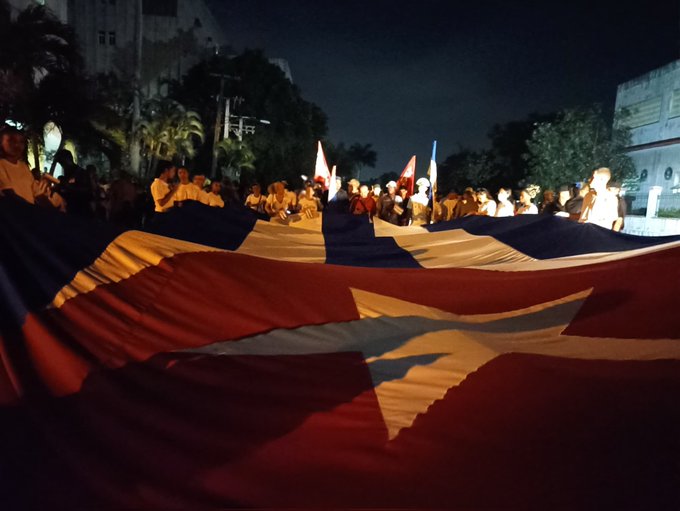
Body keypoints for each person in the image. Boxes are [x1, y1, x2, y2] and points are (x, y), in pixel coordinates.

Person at [0, 126, 54, 206]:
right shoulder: (2, 165)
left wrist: (53, 211)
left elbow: (38, 194)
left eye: (21, 142)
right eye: (11, 141)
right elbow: (9, 195)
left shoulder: (23, 166)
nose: (17, 145)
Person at [55, 148, 94, 217]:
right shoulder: (66, 176)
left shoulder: (82, 174)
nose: (62, 166)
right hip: (69, 211)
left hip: (81, 212)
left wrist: (69, 187)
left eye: (62, 162)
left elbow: (88, 191)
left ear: (68, 159)